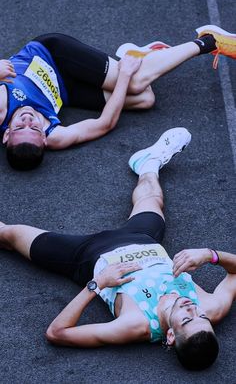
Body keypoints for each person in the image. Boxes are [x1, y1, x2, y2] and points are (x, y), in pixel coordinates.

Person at [0, 127, 235, 370]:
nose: (192, 309)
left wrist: (97, 284)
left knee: (10, 235)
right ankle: (148, 163)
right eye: (202, 317)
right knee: (153, 198)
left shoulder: (136, 325)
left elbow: (57, 332)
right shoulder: (211, 306)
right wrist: (210, 255)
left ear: (171, 336)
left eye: (187, 319)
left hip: (86, 254)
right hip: (143, 237)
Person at [1, 25, 236, 170]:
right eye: (34, 128)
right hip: (66, 89)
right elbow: (104, 124)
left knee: (136, 83)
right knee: (145, 98)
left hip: (53, 54)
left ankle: (209, 40)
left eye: (21, 125)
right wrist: (123, 74)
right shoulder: (55, 137)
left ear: (6, 135)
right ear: (43, 140)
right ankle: (138, 58)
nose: (28, 119)